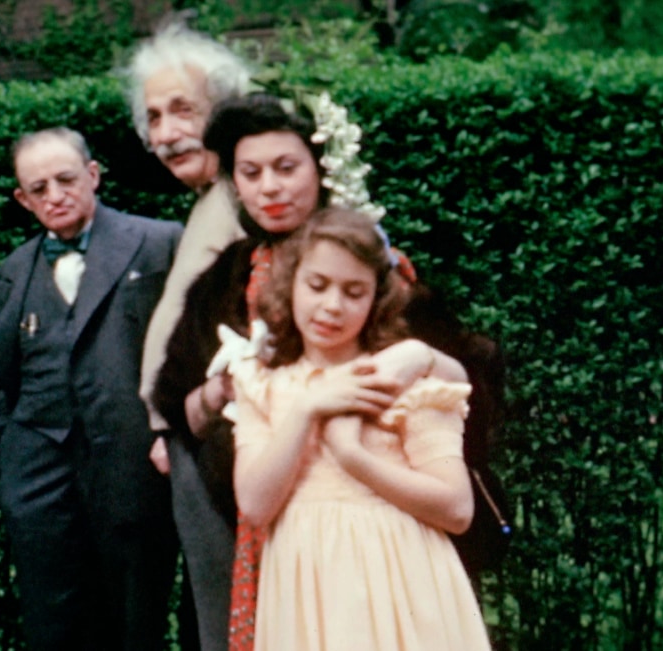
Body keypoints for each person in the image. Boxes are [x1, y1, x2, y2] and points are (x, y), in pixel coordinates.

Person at [153, 92, 487, 650]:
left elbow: (458, 387)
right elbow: (178, 406)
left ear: (320, 168)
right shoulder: (221, 282)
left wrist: (423, 357)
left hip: (383, 528)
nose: (270, 187)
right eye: (251, 174)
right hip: (248, 514)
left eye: (286, 168)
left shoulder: (384, 272)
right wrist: (227, 389)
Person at [229, 206, 494, 650]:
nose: (332, 306)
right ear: (290, 284)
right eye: (317, 286)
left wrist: (354, 458)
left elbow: (457, 509)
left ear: (377, 300)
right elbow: (255, 505)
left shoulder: (398, 378)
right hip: (308, 591)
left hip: (402, 585)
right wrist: (307, 410)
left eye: (354, 292)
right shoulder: (264, 386)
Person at [0, 127, 184, 651]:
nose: (55, 195)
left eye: (66, 179)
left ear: (92, 176)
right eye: (39, 188)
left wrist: (172, 433)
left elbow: (193, 349)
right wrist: (11, 458)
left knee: (136, 623)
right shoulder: (10, 275)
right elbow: (2, 379)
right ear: (23, 199)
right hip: (38, 478)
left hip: (134, 468)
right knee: (54, 628)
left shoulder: (161, 243)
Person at [122, 19, 253, 651]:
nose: (166, 133)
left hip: (228, 444)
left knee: (237, 616)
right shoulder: (212, 199)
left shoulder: (247, 195)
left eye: (183, 110)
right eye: (153, 117)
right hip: (195, 439)